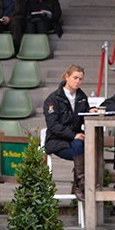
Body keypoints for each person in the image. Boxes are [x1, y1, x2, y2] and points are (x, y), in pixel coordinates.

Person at [42, 65, 98, 201]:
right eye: (75, 78)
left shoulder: (81, 96)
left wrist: (90, 112)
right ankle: (81, 185)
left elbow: (82, 116)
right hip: (57, 141)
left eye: (80, 79)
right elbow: (53, 126)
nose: (78, 81)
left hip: (76, 141)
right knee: (83, 150)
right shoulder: (53, 99)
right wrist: (73, 135)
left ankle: (79, 184)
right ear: (67, 76)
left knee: (83, 145)